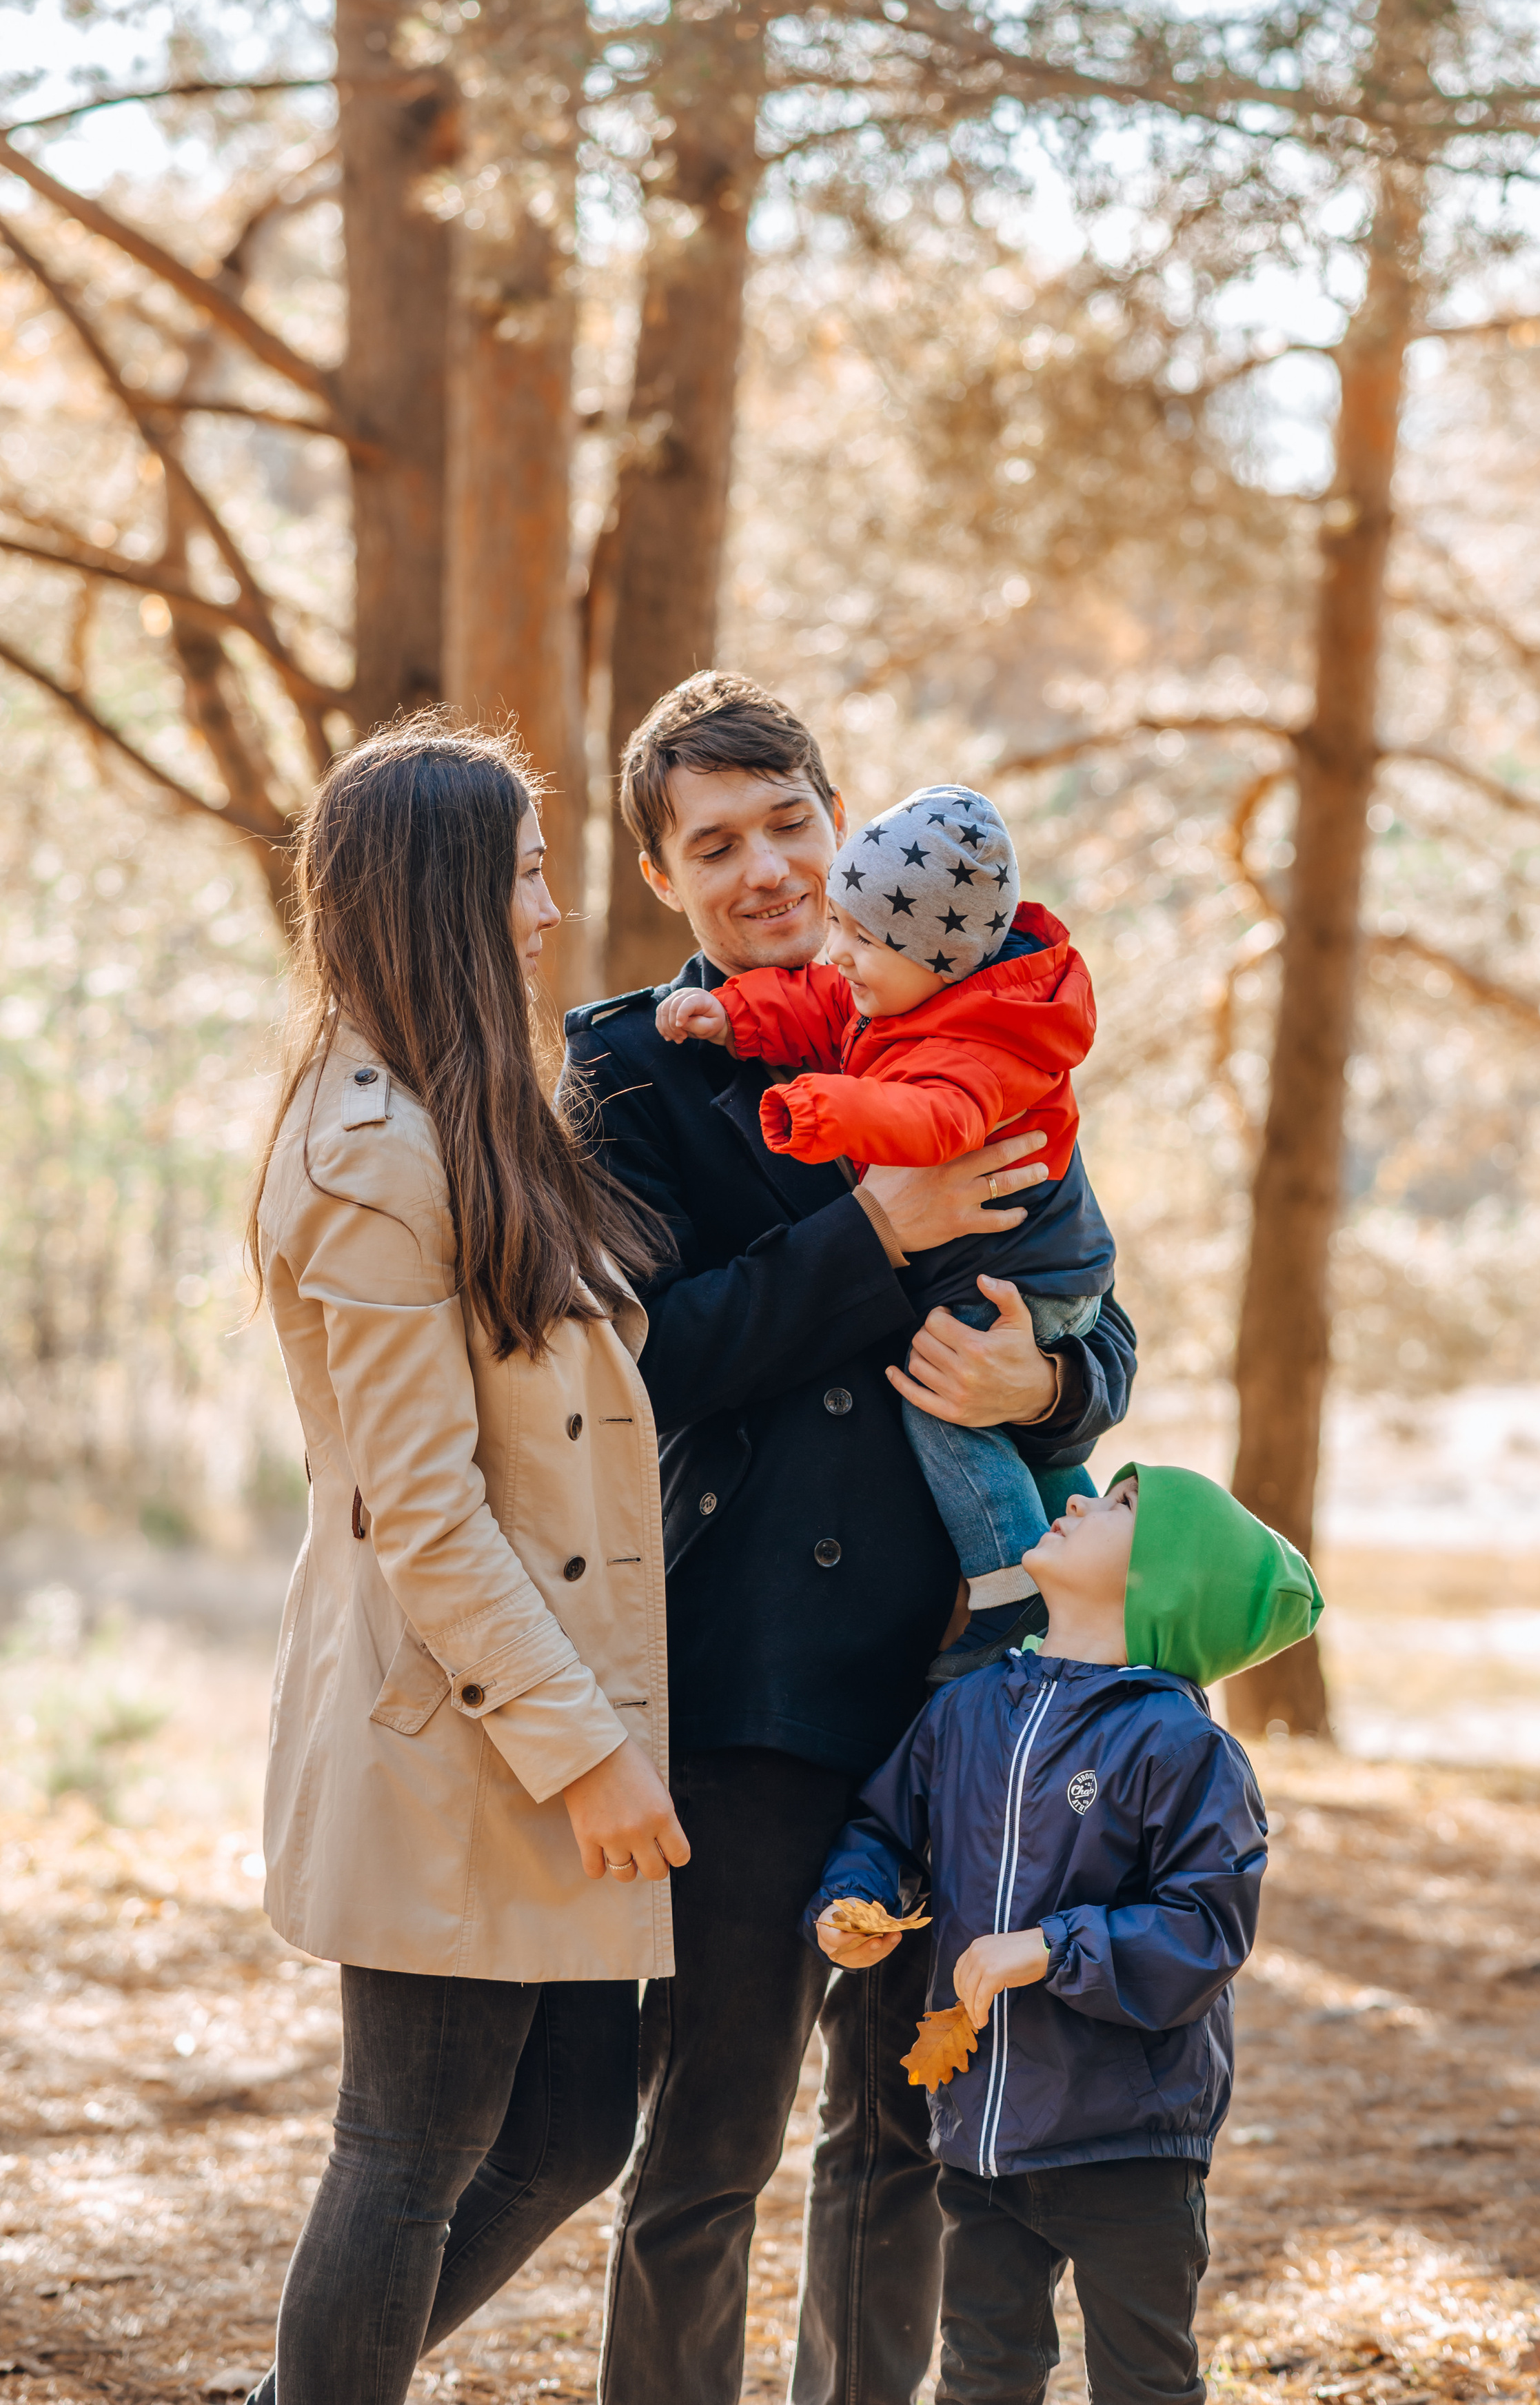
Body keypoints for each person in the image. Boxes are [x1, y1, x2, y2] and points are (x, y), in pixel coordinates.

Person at [560, 672, 1138, 2405]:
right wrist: (874, 1227)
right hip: (742, 1676)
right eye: (713, 842)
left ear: (837, 814)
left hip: (952, 1675)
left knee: (907, 2139)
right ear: (663, 872)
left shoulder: (969, 1005)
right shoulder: (620, 1067)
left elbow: (1087, 1304)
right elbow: (639, 1357)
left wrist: (1044, 1379)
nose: (763, 868)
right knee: (707, 2139)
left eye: (788, 822)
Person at [242, 716, 687, 2405]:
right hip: (463, 1725)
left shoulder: (466, 1106)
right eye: (520, 873)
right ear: (441, 895)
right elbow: (421, 1509)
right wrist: (585, 1752)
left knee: (572, 2123)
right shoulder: (372, 1151)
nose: (548, 907)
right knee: (411, 2144)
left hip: (533, 1705)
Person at [807, 1466, 1324, 2405]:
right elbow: (885, 1827)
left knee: (1145, 2382)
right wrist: (855, 1896)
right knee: (982, 2373)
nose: (1081, 1498)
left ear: (1164, 1583)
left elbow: (1205, 1926)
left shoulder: (1181, 1745)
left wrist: (1048, 1946)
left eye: (1121, 1506)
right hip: (983, 2132)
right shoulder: (965, 1709)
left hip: (1127, 2139)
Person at [656, 780, 1116, 1655]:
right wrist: (732, 1016)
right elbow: (815, 1003)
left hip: (1030, 1282)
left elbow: (934, 1121)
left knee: (942, 1405)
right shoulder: (894, 983)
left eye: (858, 938)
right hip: (769, 1613)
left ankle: (1011, 1583)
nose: (837, 954)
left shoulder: (987, 1043)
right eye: (715, 847)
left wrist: (820, 1109)